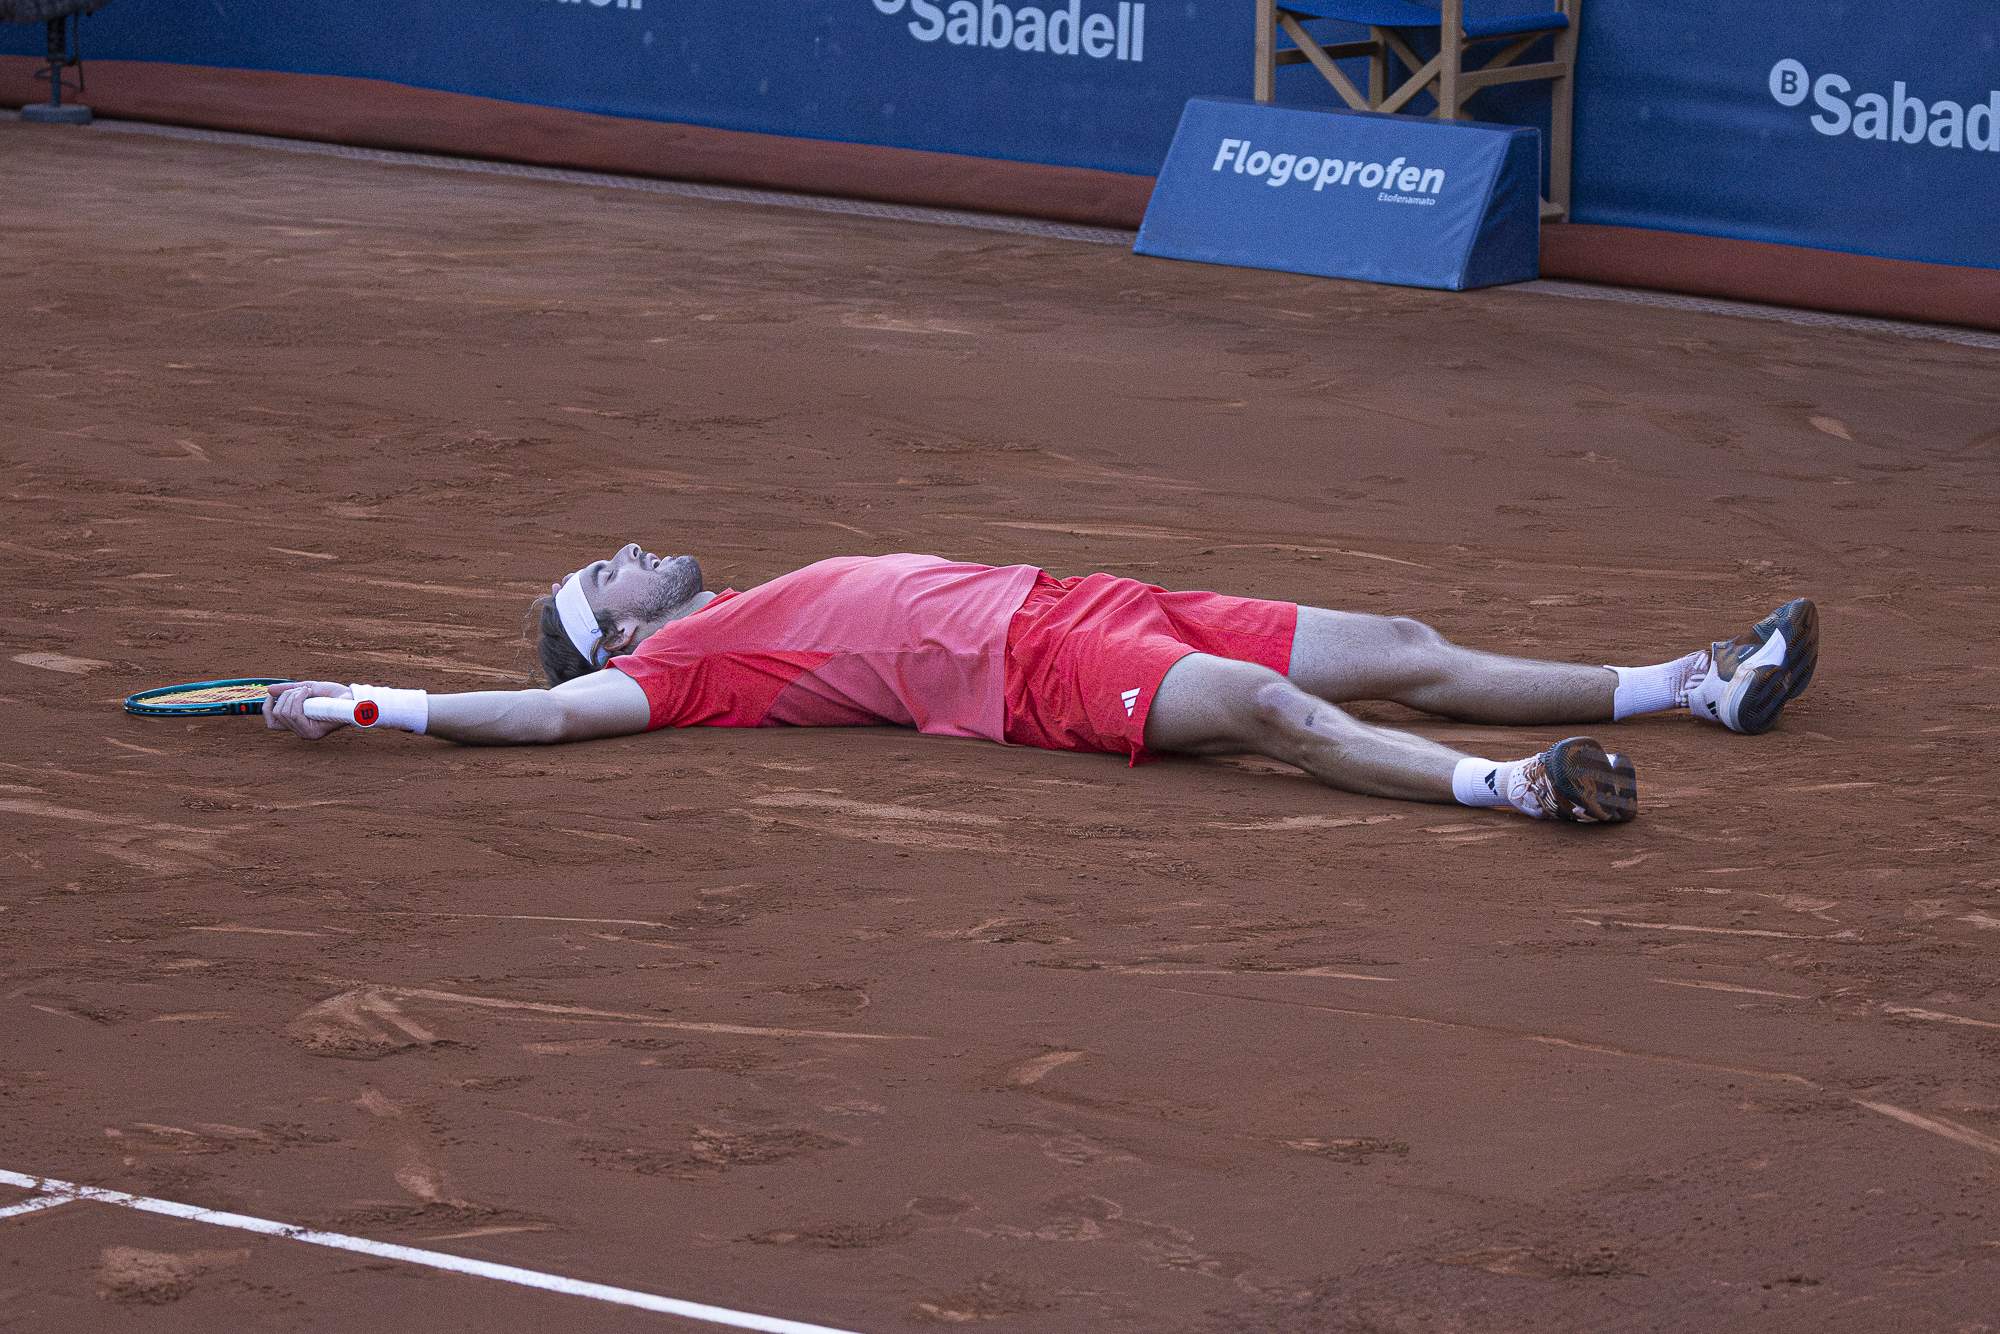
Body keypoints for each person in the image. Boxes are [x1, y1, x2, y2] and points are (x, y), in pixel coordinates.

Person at [263, 546, 1819, 825]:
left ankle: (1696, 687)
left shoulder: (722, 604)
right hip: (1043, 673)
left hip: (1084, 595)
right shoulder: (680, 673)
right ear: (615, 638)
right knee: (1280, 722)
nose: (629, 552)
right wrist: (371, 700)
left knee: (1401, 643)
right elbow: (533, 717)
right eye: (601, 575)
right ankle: (1517, 787)